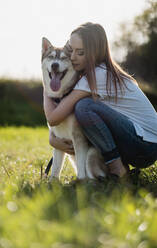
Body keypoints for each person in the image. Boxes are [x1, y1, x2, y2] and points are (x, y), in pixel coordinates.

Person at [44, 22, 157, 180]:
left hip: (146, 146)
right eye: (72, 50)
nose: (73, 57)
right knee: (82, 108)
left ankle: (118, 170)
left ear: (94, 53)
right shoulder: (97, 73)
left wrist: (47, 87)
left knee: (84, 108)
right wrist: (54, 139)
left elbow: (53, 118)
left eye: (80, 52)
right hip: (142, 142)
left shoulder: (97, 75)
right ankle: (114, 168)